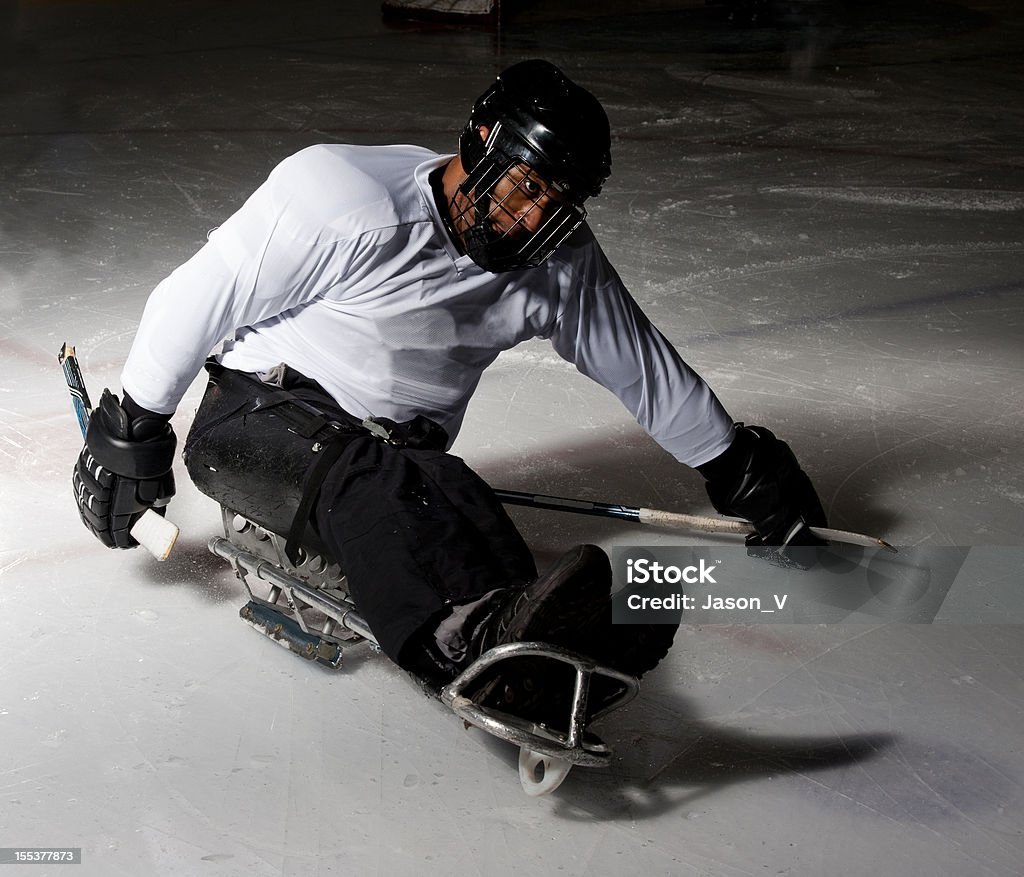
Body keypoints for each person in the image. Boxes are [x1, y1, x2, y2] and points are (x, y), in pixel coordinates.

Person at [72, 59, 826, 715]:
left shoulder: (555, 260)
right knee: (367, 478)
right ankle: (460, 641)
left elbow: (638, 361)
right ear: (482, 144)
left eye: (555, 207)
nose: (531, 219)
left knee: (455, 491)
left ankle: (527, 644)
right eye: (525, 187)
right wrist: (129, 432)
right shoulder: (343, 198)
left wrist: (736, 466)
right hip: (257, 420)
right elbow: (197, 297)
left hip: (395, 455)